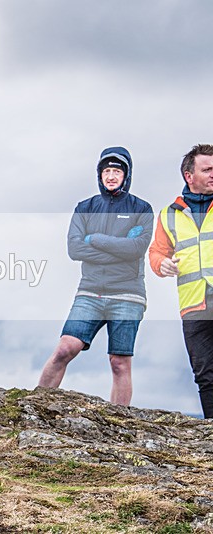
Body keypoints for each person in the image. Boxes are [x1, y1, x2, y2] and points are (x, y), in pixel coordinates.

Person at [38, 147, 153, 405]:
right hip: (90, 292)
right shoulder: (85, 207)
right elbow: (74, 249)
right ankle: (36, 408)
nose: (111, 176)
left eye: (117, 171)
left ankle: (118, 422)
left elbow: (136, 249)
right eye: (106, 171)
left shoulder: (142, 208)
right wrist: (119, 248)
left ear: (127, 175)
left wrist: (96, 240)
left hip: (128, 294)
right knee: (65, 349)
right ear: (99, 174)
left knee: (119, 363)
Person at [149, 144, 213, 418]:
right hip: (193, 304)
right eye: (207, 169)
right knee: (205, 374)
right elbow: (156, 252)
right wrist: (161, 264)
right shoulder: (169, 214)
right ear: (189, 175)